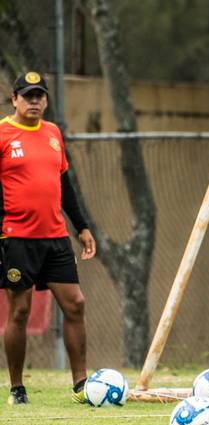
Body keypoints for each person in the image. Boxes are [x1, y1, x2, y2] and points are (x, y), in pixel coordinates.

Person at [1, 72, 96, 405]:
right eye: (28, 96)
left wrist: (81, 226)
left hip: (55, 237)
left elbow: (64, 185)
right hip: (16, 239)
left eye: (40, 96)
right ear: (14, 99)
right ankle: (17, 388)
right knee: (19, 311)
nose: (35, 102)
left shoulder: (53, 133)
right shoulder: (3, 133)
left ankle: (82, 383)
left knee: (76, 303)